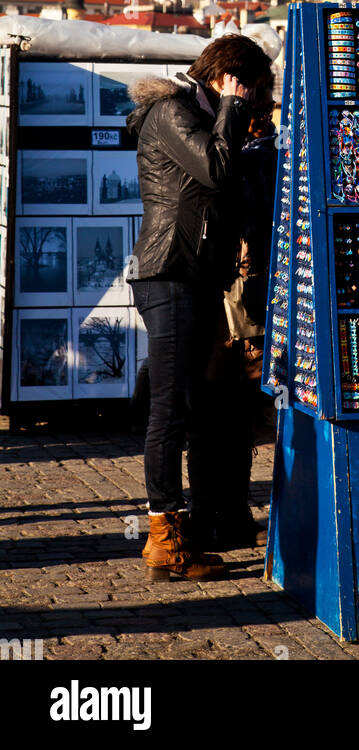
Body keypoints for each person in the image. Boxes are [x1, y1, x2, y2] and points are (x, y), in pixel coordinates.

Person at [126, 34, 273, 581]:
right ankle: (163, 542)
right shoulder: (172, 110)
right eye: (249, 88)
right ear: (228, 77)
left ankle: (188, 529)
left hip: (194, 277)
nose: (254, 100)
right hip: (170, 275)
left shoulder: (199, 112)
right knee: (169, 410)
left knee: (189, 407)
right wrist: (233, 107)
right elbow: (215, 169)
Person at [193, 88, 278, 552]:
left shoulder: (237, 161)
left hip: (226, 304)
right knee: (236, 417)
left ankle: (211, 514)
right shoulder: (270, 158)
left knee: (215, 417)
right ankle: (231, 513)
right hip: (251, 305)